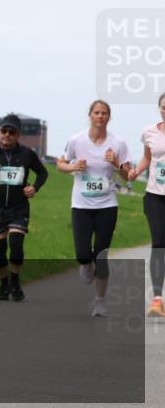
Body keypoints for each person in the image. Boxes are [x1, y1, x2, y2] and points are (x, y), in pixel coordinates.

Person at [56, 100, 131, 317]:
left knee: (101, 255)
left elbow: (128, 176)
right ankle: (84, 263)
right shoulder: (76, 140)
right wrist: (72, 166)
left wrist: (116, 162)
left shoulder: (118, 143)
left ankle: (99, 301)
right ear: (89, 115)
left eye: (104, 113)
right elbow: (61, 163)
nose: (100, 116)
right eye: (96, 112)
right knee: (82, 254)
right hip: (81, 204)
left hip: (107, 205)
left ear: (109, 117)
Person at [0, 114, 49, 302]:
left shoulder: (27, 154)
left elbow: (43, 173)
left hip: (18, 207)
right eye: (3, 131)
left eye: (11, 132)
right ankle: (4, 283)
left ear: (18, 135)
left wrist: (34, 187)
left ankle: (15, 280)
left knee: (15, 247)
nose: (7, 135)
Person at [128, 92, 165, 317]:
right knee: (159, 242)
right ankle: (157, 300)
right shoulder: (149, 131)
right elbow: (147, 158)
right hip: (155, 195)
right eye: (163, 106)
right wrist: (136, 171)